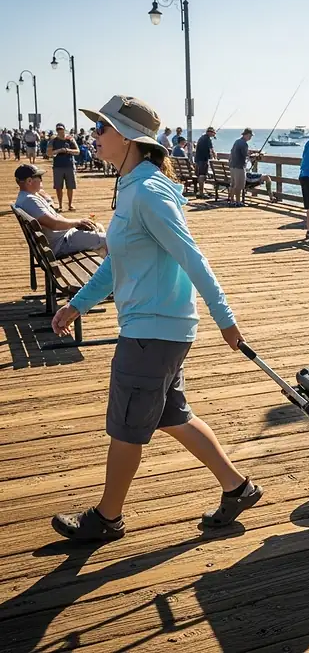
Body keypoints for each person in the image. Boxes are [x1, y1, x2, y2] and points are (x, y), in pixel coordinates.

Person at [49, 94, 262, 543]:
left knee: (126, 428)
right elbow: (116, 259)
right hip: (160, 329)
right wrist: (78, 304)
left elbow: (191, 255)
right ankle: (237, 487)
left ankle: (107, 518)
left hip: (151, 330)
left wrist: (226, 317)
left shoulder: (145, 191)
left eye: (102, 129)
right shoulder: (133, 186)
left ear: (128, 138)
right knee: (173, 416)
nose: (95, 136)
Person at [14, 164, 107, 257]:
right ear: (29, 181)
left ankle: (105, 266)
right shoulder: (30, 200)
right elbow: (54, 224)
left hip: (63, 237)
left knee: (98, 226)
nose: (41, 180)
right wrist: (78, 222)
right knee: (111, 241)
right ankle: (110, 269)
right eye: (39, 177)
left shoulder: (27, 197)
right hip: (62, 242)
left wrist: (45, 197)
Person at [228, 128, 275, 206]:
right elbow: (246, 155)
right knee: (239, 185)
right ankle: (238, 202)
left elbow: (240, 152)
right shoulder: (244, 144)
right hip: (239, 167)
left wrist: (254, 152)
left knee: (233, 184)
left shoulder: (237, 142)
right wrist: (256, 156)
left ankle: (232, 201)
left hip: (233, 166)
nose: (250, 138)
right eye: (250, 136)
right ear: (246, 135)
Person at [47, 123, 80, 211]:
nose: (60, 131)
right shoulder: (53, 140)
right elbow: (48, 153)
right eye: (58, 129)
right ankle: (60, 205)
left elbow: (77, 151)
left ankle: (70, 204)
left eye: (61, 129)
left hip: (69, 165)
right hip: (58, 166)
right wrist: (58, 151)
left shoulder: (70, 139)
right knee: (58, 187)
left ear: (64, 129)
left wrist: (67, 150)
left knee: (70, 186)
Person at [194, 126, 217, 198]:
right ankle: (201, 193)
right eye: (213, 133)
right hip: (203, 160)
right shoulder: (207, 139)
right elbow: (212, 150)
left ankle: (201, 191)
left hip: (197, 160)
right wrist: (215, 158)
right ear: (210, 132)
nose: (214, 135)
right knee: (202, 176)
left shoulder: (201, 138)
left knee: (200, 175)